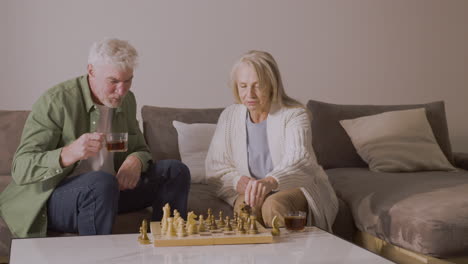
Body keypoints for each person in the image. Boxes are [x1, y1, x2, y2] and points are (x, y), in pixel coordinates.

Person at [0, 38, 191, 238]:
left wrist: (135, 160)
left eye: (128, 81)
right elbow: (20, 168)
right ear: (91, 71)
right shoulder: (56, 101)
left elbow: (141, 149)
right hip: (59, 197)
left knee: (174, 171)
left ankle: (167, 248)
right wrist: (67, 153)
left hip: (109, 193)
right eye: (114, 81)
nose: (122, 90)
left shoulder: (127, 101)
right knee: (101, 182)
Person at [205, 50, 338, 231]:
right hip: (250, 191)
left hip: (294, 187)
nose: (249, 94)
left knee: (273, 205)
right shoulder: (229, 116)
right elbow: (214, 168)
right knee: (247, 208)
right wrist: (237, 181)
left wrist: (270, 182)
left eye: (257, 85)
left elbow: (301, 161)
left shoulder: (294, 114)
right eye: (243, 86)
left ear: (272, 85)